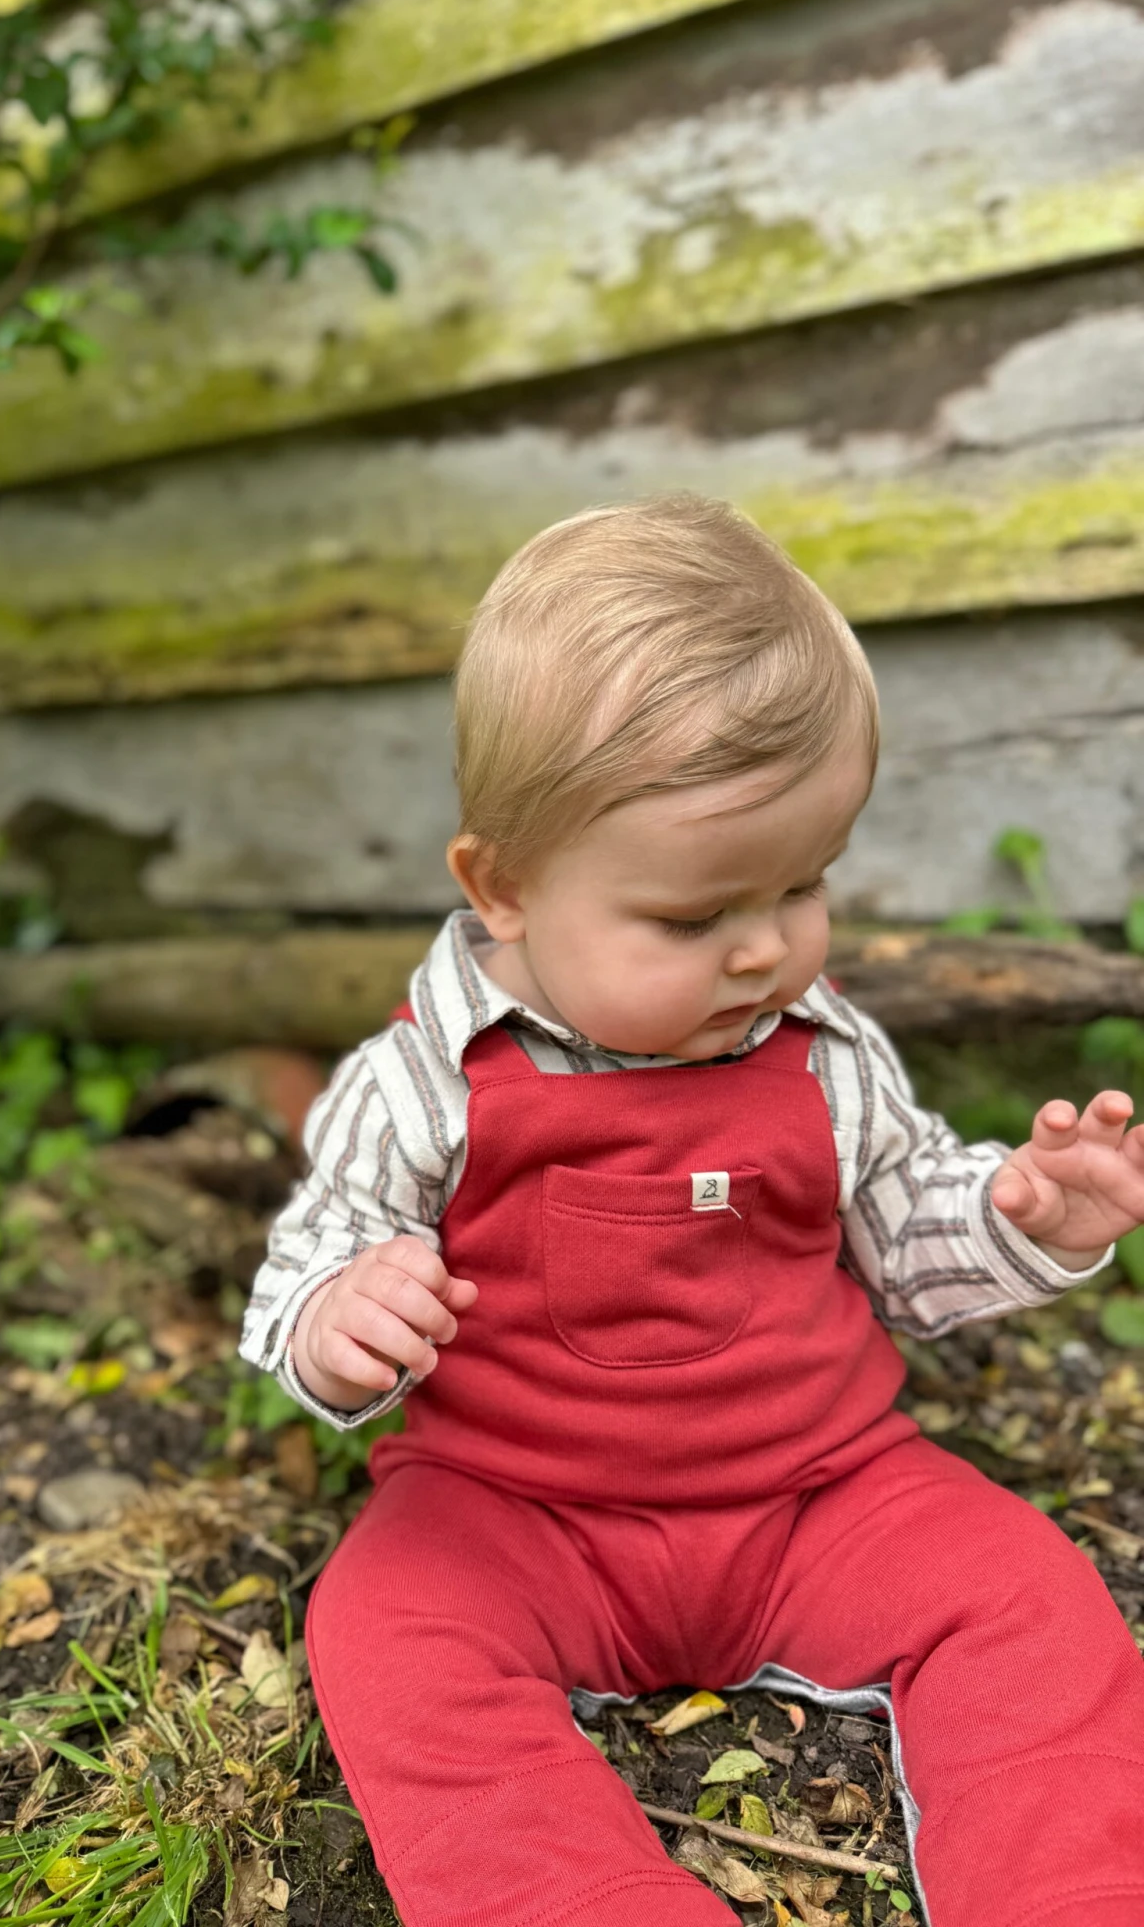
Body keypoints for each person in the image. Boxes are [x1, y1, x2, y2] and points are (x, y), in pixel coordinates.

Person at [239, 495, 1144, 1927]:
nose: (768, 944)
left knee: (1029, 1597)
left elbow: (905, 1228)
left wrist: (1031, 1213)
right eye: (688, 919)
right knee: (383, 1631)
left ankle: (1072, 1892)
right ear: (506, 890)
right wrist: (343, 1314)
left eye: (806, 883)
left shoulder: (823, 1049)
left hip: (819, 1491)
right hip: (520, 1513)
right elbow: (312, 1254)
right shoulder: (430, 1082)